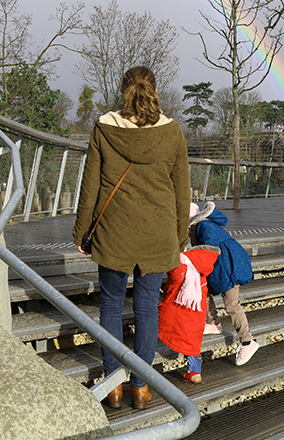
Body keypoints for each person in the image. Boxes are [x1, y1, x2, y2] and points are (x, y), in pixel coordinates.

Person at [73, 66, 191, 410]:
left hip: (114, 231)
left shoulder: (104, 128)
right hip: (158, 233)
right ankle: (140, 387)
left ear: (123, 90)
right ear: (154, 90)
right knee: (146, 309)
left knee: (110, 305)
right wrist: (180, 235)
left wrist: (82, 229)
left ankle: (112, 385)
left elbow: (90, 185)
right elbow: (182, 191)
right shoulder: (172, 132)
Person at [189, 201, 260, 366]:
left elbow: (209, 249)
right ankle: (213, 322)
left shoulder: (203, 226)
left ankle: (248, 342)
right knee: (203, 289)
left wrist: (192, 257)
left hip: (227, 269)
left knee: (232, 305)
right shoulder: (209, 224)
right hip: (228, 266)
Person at [158, 243, 220, 385]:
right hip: (196, 317)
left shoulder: (185, 269)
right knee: (192, 343)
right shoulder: (201, 273)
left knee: (154, 319)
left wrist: (175, 256)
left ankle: (142, 361)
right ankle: (194, 372)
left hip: (178, 314)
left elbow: (174, 273)